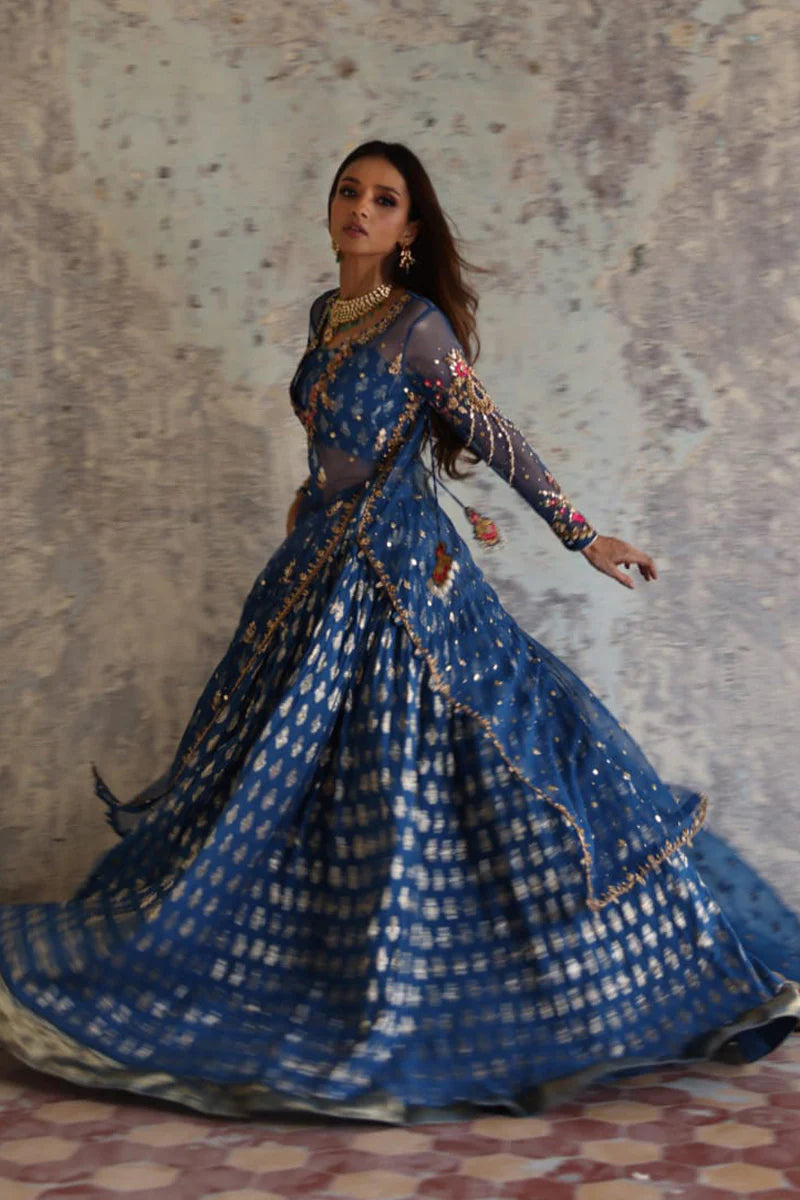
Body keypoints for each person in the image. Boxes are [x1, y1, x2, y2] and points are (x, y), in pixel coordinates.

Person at [0, 141, 797, 1126]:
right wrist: (306, 509)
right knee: (290, 770)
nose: (360, 209)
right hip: (319, 563)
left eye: (384, 200)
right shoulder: (324, 316)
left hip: (397, 570)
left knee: (465, 751)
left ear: (408, 230)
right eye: (350, 192)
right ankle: (315, 965)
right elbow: (332, 448)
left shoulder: (416, 327)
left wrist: (581, 535)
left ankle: (607, 972)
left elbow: (493, 433)